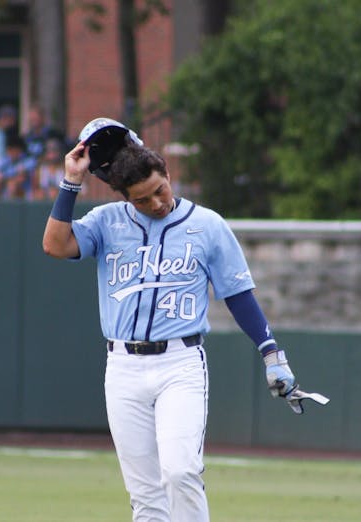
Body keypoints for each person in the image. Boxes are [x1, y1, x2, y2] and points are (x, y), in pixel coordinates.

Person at [42, 118, 304, 521]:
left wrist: (272, 353)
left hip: (180, 364)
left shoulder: (207, 225)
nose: (156, 203)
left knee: (180, 472)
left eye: (159, 190)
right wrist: (71, 183)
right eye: (142, 199)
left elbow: (237, 294)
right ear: (126, 198)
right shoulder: (107, 222)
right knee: (146, 496)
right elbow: (55, 245)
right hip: (123, 367)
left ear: (167, 172)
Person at [0, 134, 37, 200]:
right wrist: (5, 179)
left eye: (15, 150)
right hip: (4, 188)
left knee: (12, 185)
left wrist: (6, 179)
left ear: (20, 150)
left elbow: (21, 178)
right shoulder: (3, 160)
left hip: (24, 192)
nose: (12, 152)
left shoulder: (28, 161)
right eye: (10, 150)